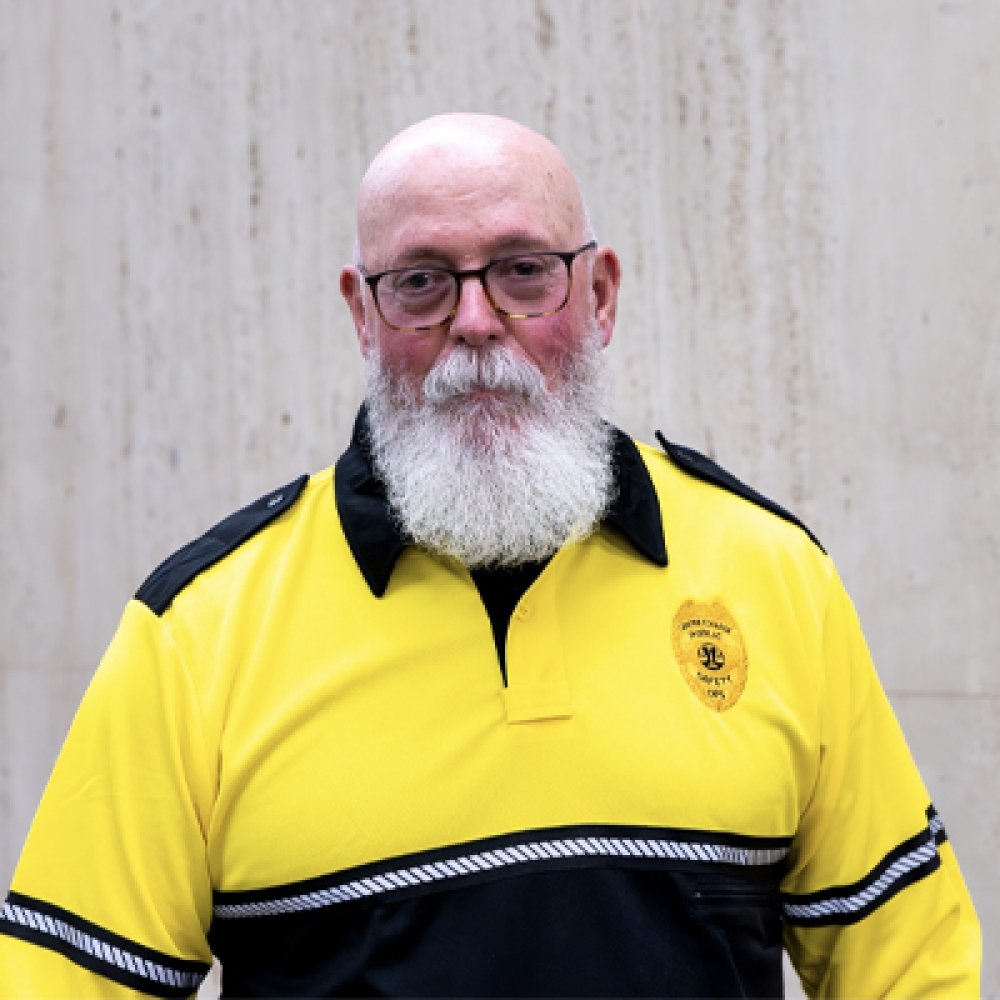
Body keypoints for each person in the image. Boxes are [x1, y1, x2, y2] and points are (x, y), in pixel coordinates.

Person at [0, 113, 981, 998]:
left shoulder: (773, 576)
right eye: (422, 281)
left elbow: (911, 972)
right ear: (362, 314)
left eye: (522, 269)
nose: (474, 323)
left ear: (598, 292)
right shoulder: (198, 633)